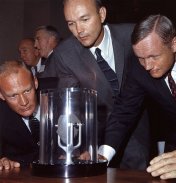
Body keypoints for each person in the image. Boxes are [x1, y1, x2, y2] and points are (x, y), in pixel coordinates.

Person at [49, 0, 150, 169]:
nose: (78, 30)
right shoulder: (64, 54)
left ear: (101, 14)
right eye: (71, 23)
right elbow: (71, 107)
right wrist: (75, 146)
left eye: (85, 19)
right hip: (96, 137)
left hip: (137, 129)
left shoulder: (132, 35)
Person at [98, 14, 176, 179]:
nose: (147, 66)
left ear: (174, 44)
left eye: (153, 57)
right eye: (141, 58)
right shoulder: (138, 67)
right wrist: (102, 156)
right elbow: (124, 111)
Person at [0, 60, 39, 170]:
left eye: (27, 91)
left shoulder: (60, 97)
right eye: (13, 96)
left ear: (35, 82)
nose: (24, 102)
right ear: (1, 95)